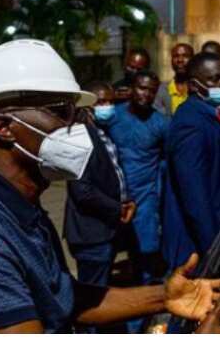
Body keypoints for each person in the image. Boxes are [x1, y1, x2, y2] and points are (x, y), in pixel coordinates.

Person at [0, 39, 220, 333]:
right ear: (5, 128)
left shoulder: (21, 207)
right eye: (61, 112)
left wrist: (164, 296)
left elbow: (64, 298)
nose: (77, 125)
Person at [162, 52, 220, 270]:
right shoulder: (190, 125)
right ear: (194, 85)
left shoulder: (210, 116)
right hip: (202, 248)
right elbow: (195, 198)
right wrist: (215, 251)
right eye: (214, 79)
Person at [64, 81, 136, 290]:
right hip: (90, 234)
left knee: (103, 290)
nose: (108, 107)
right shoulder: (80, 138)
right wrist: (117, 208)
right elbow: (82, 191)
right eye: (102, 102)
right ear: (88, 107)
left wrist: (127, 199)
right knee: (93, 298)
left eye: (111, 102)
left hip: (106, 230)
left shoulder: (104, 133)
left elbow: (115, 172)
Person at [106, 71, 169, 285]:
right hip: (113, 198)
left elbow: (165, 159)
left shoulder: (160, 123)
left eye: (152, 90)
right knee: (106, 255)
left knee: (145, 254)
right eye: (142, 88)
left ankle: (141, 314)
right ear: (132, 88)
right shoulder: (113, 116)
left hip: (145, 199)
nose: (146, 94)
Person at [154, 43, 194, 117]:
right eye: (176, 56)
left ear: (193, 59)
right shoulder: (161, 89)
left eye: (185, 56)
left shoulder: (199, 89)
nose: (180, 60)